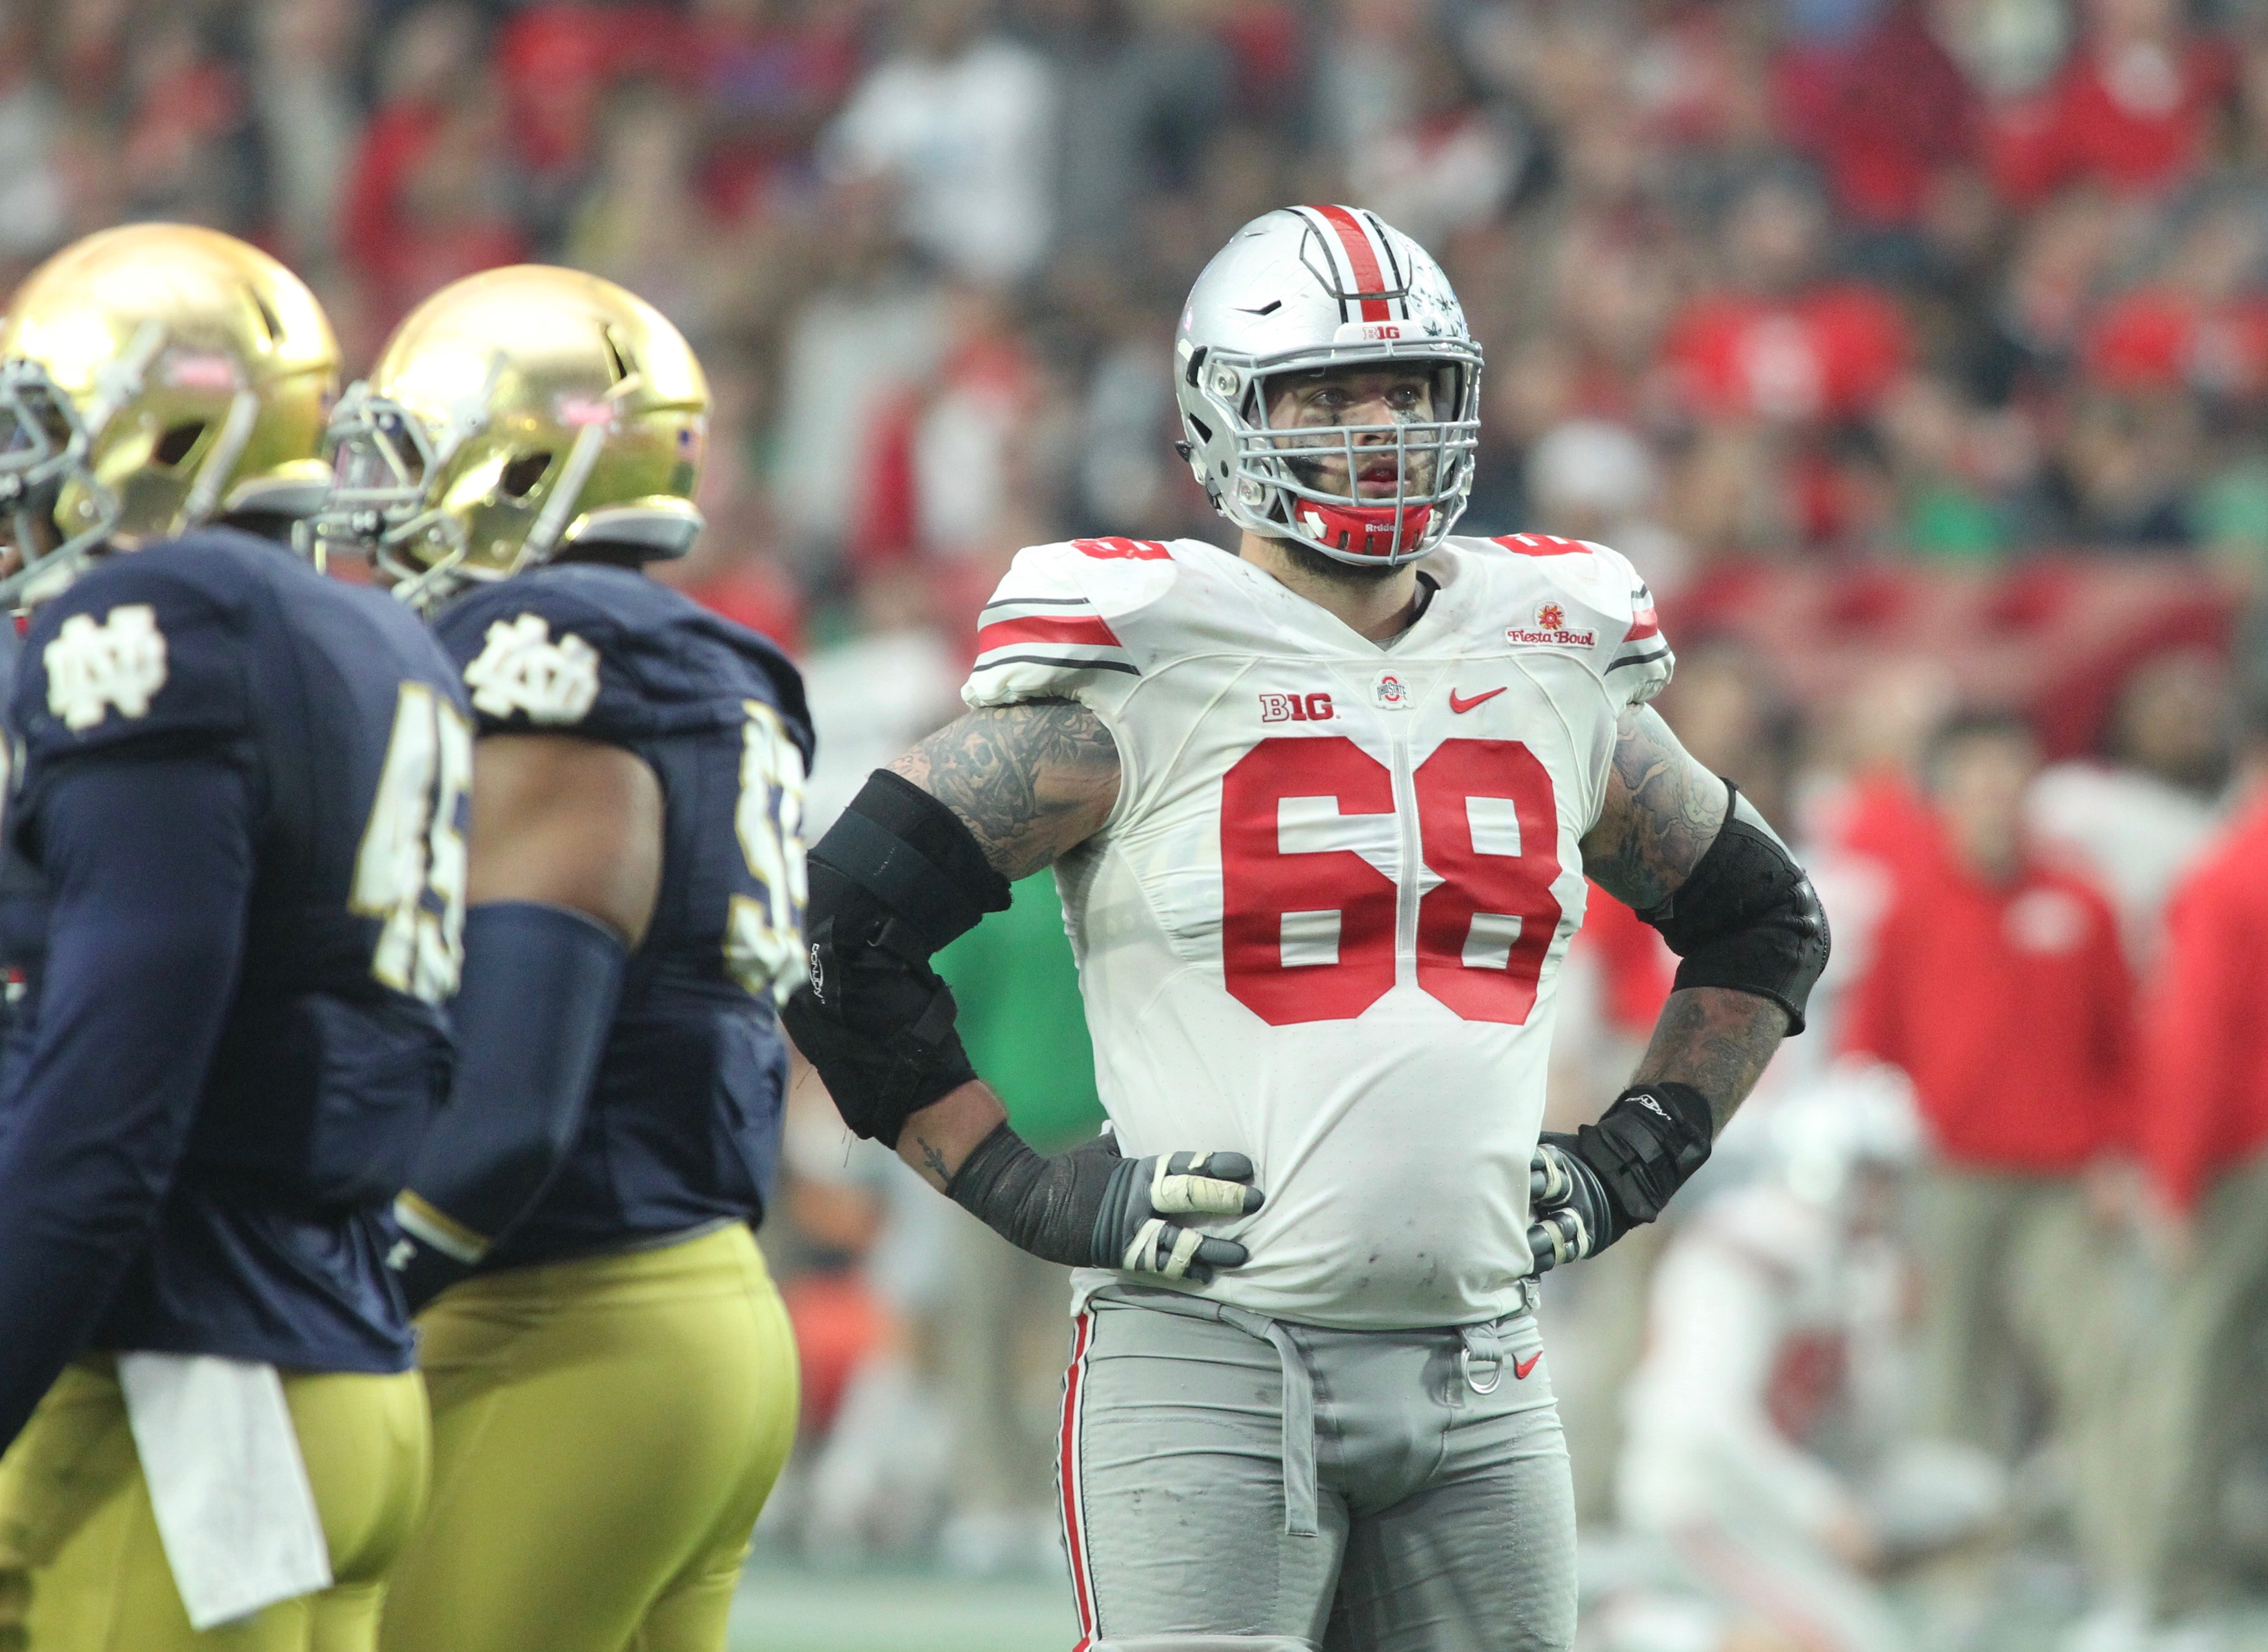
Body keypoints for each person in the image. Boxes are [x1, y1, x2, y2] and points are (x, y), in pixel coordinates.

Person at [785, 204, 1830, 1651]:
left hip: (1483, 1358)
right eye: (1325, 395)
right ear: (1224, 416)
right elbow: (835, 931)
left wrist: (1630, 1162)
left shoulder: (1549, 652)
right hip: (1209, 1344)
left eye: (1404, 388)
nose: (1378, 428)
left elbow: (1764, 920)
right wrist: (1027, 1189)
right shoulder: (1142, 661)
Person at [313, 265, 811, 1652]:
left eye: (414, 457)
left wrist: (324, 1300)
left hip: (562, 1314)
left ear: (519, 460)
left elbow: (512, 1108)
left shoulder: (543, 655)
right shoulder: (703, 656)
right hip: (693, 1300)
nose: (377, 505)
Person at [0, 225, 462, 1649]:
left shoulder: (161, 621)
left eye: (50, 434)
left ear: (167, 436)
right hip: (335, 1351)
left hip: (181, 1386)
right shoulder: (380, 636)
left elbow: (112, 1096)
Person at [1838, 710, 2135, 1577]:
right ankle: (1950, 1576)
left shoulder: (2081, 901)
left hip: (2061, 1185)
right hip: (1949, 1178)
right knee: (1950, 1379)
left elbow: (2127, 1047)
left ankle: (2124, 1567)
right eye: (1977, 778)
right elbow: (1871, 1051)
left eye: (2012, 776)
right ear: (1944, 796)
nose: (1996, 797)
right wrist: (1879, 1187)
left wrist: (2119, 1152)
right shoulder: (1911, 907)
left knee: (2096, 1364)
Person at [2110, 686, 2268, 1639]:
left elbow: (2193, 1041)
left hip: (2242, 1166)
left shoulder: (2229, 874)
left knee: (2195, 1371)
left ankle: (2174, 1579)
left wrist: (2170, 1178)